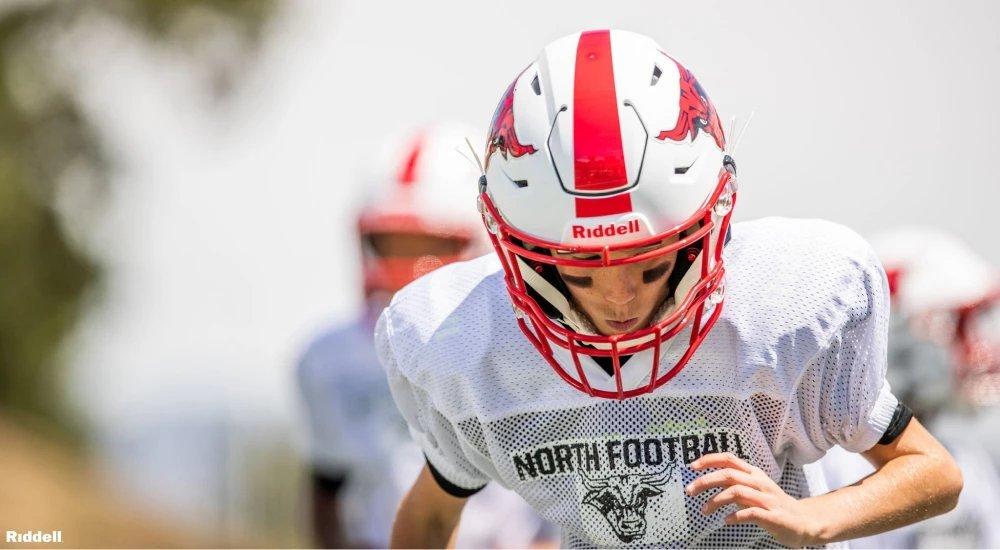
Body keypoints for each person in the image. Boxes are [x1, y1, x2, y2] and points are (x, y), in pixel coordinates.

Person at [378, 30, 963, 548]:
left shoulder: (780, 309)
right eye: (580, 274)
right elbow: (429, 519)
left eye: (649, 266)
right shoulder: (467, 344)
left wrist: (814, 517)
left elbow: (933, 472)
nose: (620, 300)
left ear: (705, 230)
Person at [297, 123, 552, 548]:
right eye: (392, 244)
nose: (405, 267)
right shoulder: (328, 362)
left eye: (427, 244)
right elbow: (326, 488)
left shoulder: (538, 350)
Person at [821, 227, 1000, 548]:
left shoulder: (968, 464)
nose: (980, 347)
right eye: (958, 324)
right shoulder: (826, 463)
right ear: (895, 330)